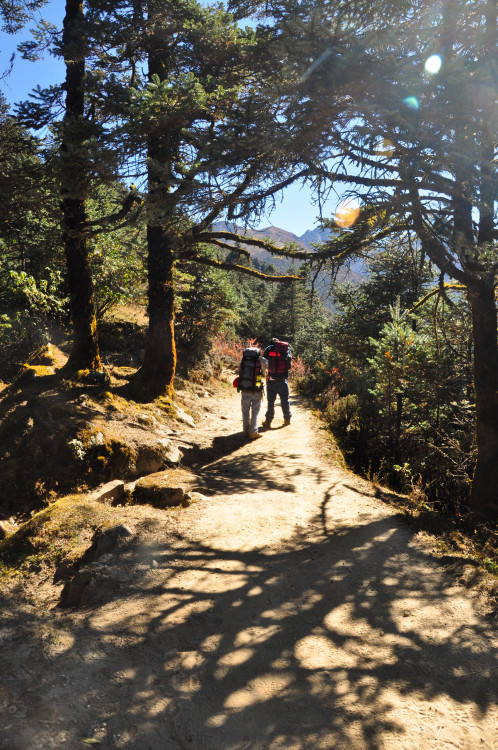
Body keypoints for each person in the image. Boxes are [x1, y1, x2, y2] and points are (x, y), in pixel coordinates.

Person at [236, 345, 268, 439]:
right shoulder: (260, 360)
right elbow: (264, 373)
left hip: (245, 388)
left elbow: (239, 371)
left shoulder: (244, 360)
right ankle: (253, 432)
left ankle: (246, 430)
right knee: (255, 411)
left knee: (245, 410)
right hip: (256, 389)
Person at [261, 338, 292, 428]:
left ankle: (268, 421)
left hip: (272, 380)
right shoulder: (286, 349)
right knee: (285, 401)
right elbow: (289, 364)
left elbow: (263, 361)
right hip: (283, 381)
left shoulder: (269, 348)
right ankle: (287, 419)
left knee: (270, 402)